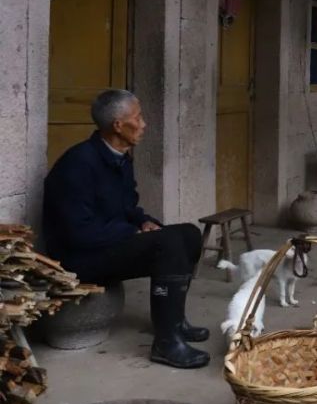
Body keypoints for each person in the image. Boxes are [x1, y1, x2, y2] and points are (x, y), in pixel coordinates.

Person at [43, 90, 210, 369]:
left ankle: (175, 322)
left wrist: (144, 222)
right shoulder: (78, 164)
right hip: (78, 258)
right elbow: (77, 233)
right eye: (138, 118)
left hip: (108, 242)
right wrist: (131, 233)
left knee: (188, 234)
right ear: (118, 125)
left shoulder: (120, 156)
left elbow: (128, 207)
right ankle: (166, 344)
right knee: (166, 244)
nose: (144, 124)